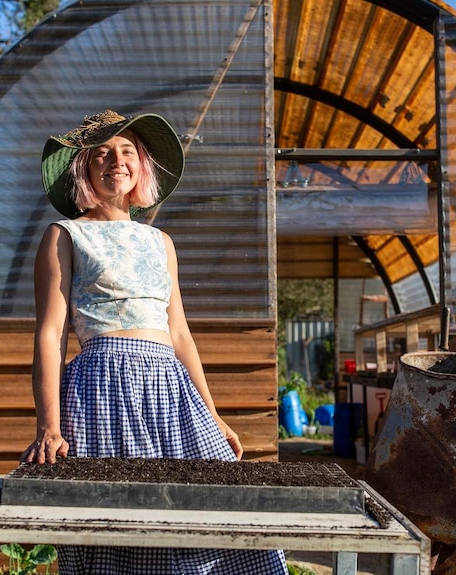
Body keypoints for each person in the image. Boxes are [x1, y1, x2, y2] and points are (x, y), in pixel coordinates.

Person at [21, 109, 288, 575]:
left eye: (127, 151)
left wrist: (214, 414)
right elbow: (50, 334)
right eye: (101, 153)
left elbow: (180, 333)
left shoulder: (160, 241)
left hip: (170, 386)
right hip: (101, 386)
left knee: (221, 511)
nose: (115, 161)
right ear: (83, 168)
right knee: (118, 525)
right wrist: (49, 425)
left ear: (142, 165)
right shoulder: (66, 234)